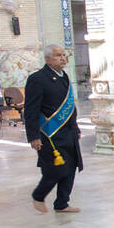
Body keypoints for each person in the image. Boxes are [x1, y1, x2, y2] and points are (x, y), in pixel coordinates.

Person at [25, 45, 83, 214]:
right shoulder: (37, 79)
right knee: (55, 170)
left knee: (71, 168)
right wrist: (33, 136)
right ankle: (38, 195)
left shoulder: (64, 76)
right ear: (48, 59)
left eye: (64, 55)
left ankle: (62, 203)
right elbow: (31, 110)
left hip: (68, 133)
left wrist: (76, 127)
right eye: (58, 55)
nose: (63, 58)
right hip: (49, 134)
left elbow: (71, 106)